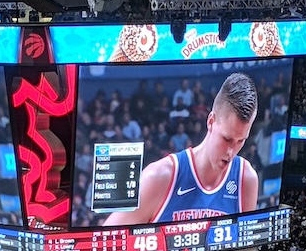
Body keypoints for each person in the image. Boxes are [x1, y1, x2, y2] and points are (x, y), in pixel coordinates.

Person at [104, 73, 260, 225]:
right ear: (211, 121)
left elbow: (246, 250)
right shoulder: (158, 177)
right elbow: (107, 242)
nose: (231, 151)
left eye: (241, 141)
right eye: (226, 139)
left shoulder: (246, 179)